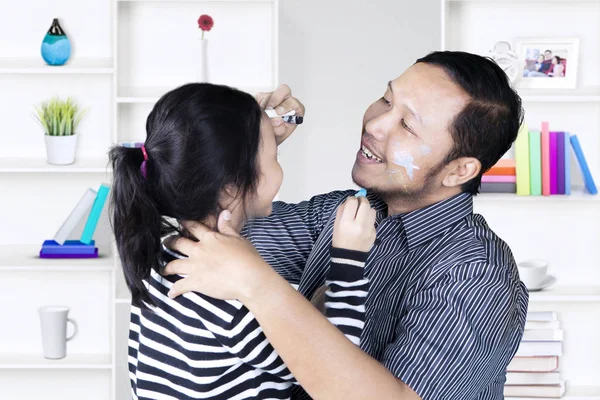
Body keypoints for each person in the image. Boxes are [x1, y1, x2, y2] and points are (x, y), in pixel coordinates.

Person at [164, 51, 529, 400]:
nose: (374, 123)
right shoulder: (344, 212)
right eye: (386, 100)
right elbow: (204, 241)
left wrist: (259, 288)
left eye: (406, 124)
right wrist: (245, 157)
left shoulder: (476, 274)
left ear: (459, 171)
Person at [109, 83, 377, 399]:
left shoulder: (165, 255)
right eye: (275, 156)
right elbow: (326, 368)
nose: (279, 163)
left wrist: (250, 141)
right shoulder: (225, 294)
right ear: (230, 187)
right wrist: (348, 263)